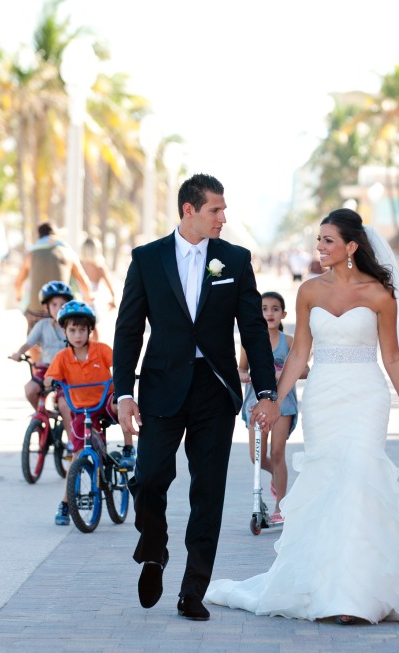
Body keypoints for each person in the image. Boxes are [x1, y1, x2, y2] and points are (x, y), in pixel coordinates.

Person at [205, 207, 399, 624]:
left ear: (351, 246)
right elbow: (300, 353)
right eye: (318, 240)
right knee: (328, 483)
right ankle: (327, 587)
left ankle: (358, 595)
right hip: (322, 395)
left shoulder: (379, 293)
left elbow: (392, 358)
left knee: (360, 476)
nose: (319, 247)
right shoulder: (308, 292)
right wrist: (268, 401)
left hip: (365, 395)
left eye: (328, 240)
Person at [112, 173, 280, 622]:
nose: (223, 218)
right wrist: (124, 393)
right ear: (189, 210)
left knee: (208, 493)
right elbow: (128, 329)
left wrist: (265, 392)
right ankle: (154, 548)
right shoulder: (147, 259)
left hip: (215, 389)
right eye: (215, 210)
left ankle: (192, 591)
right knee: (149, 479)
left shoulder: (235, 259)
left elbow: (253, 333)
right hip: (162, 386)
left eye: (223, 210)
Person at [44, 301, 135, 525]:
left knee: (120, 405)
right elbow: (48, 378)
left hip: (103, 401)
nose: (77, 335)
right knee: (77, 454)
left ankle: (128, 448)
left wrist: (122, 379)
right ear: (64, 331)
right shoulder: (63, 357)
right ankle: (66, 504)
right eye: (72, 330)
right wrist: (52, 381)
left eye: (82, 330)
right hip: (81, 409)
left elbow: (119, 365)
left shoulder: (100, 350)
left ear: (89, 331)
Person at [237, 291, 307, 522]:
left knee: (277, 454)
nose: (269, 313)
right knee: (256, 457)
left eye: (275, 308)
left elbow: (304, 369)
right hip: (255, 402)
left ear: (283, 313)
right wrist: (244, 376)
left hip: (283, 403)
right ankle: (278, 478)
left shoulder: (288, 342)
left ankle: (280, 506)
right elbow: (241, 369)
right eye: (264, 308)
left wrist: (284, 373)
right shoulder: (250, 342)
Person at [13, 223, 93, 342]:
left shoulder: (31, 254)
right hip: (63, 311)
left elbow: (17, 283)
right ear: (56, 236)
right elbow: (83, 281)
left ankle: (35, 359)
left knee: (33, 341)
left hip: (36, 310)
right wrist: (88, 297)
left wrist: (19, 296)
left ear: (39, 236)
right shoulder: (67, 252)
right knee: (71, 338)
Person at [10, 281, 74, 410]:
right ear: (46, 307)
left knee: (65, 403)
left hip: (67, 371)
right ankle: (42, 414)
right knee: (30, 390)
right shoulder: (43, 325)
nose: (58, 308)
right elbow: (29, 343)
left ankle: (68, 427)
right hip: (47, 369)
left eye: (62, 305)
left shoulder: (72, 326)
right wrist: (18, 353)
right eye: (54, 305)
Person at [80, 237, 118, 310]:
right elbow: (111, 289)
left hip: (78, 304)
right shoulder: (100, 267)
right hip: (93, 305)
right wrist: (113, 300)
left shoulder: (78, 265)